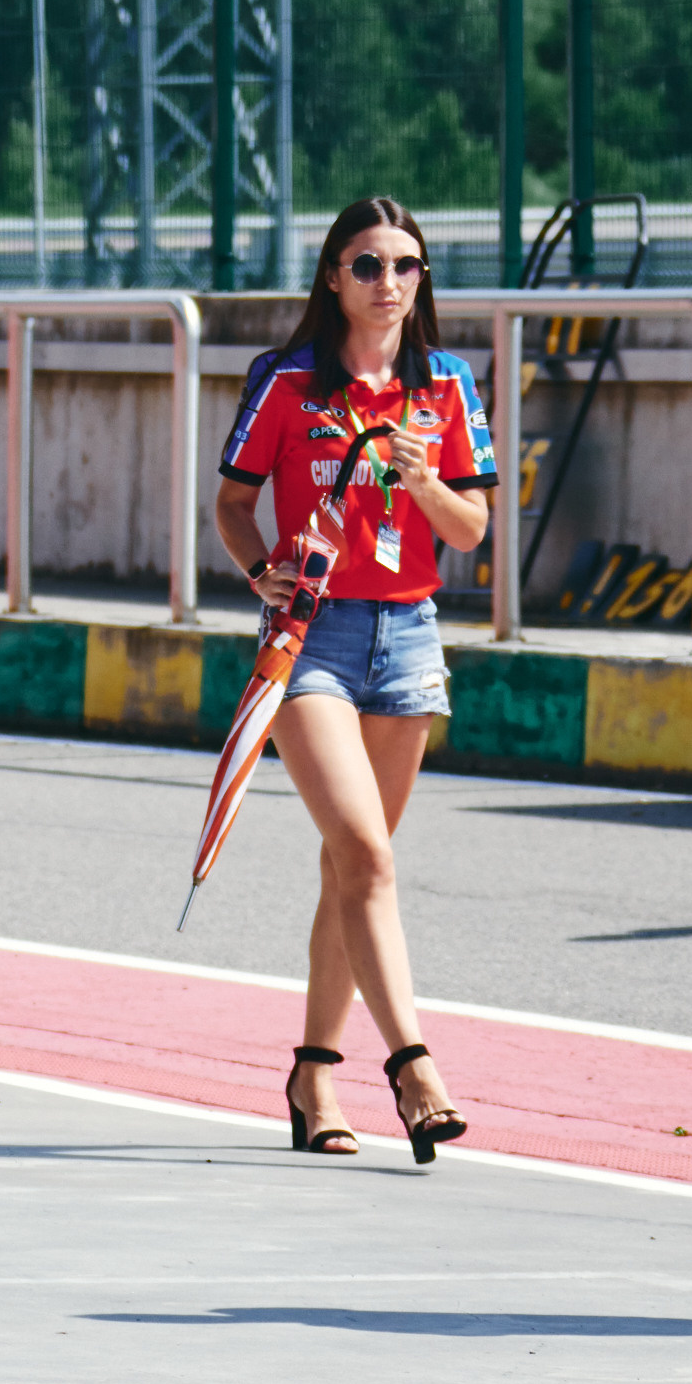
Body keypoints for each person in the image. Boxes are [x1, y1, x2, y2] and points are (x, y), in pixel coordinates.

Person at [215, 195, 496, 1165]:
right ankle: (414, 1067)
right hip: (313, 640)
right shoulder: (288, 381)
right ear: (332, 274)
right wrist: (260, 574)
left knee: (350, 870)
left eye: (406, 266)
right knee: (367, 857)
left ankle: (312, 1073)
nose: (388, 284)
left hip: (410, 638)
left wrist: (424, 484)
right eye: (367, 264)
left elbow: (470, 532)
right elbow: (233, 503)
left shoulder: (447, 384)